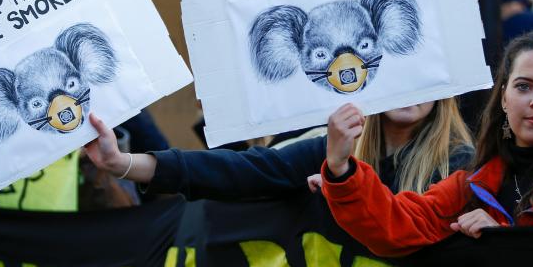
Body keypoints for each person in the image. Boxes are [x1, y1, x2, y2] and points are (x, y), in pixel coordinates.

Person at [320, 29, 533, 258]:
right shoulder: (470, 185)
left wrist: (506, 242)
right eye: (524, 87)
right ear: (504, 98)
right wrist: (341, 169)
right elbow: (395, 227)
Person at [84, 98, 473, 201]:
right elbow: (239, 172)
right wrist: (119, 162)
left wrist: (343, 187)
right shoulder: (333, 146)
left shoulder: (462, 165)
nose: (411, 89)